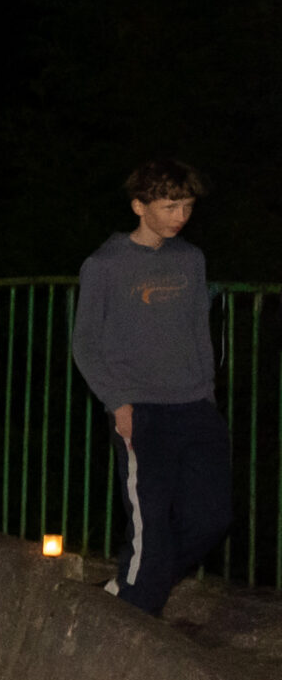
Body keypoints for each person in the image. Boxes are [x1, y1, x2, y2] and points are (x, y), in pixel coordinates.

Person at [73, 159, 229, 615]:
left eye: (188, 206)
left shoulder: (191, 259)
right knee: (151, 524)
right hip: (141, 409)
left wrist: (208, 394)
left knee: (212, 518)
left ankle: (135, 583)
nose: (181, 216)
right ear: (139, 206)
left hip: (195, 405)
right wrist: (118, 403)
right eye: (170, 206)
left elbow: (199, 331)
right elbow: (85, 343)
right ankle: (134, 614)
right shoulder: (104, 265)